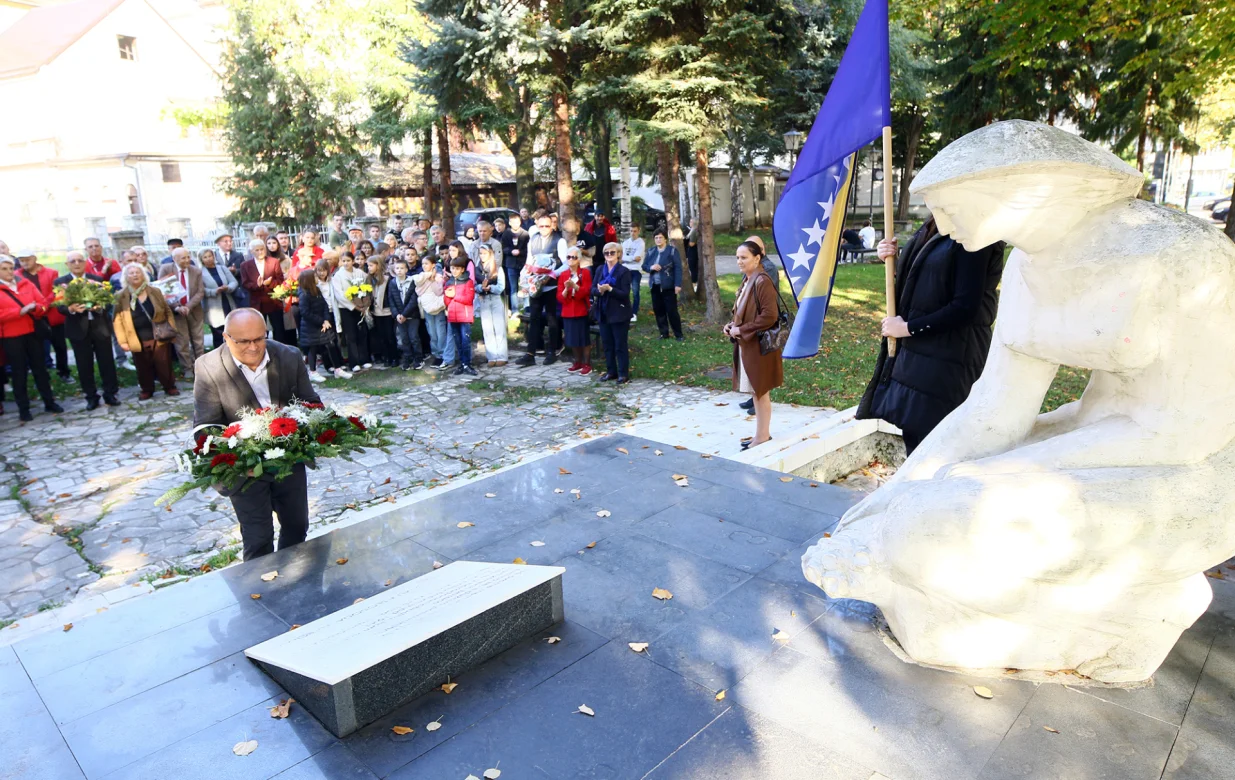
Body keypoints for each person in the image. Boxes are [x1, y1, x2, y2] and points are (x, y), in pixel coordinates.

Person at [855, 217, 1004, 454]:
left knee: (938, 449)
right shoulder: (934, 223)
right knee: (916, 444)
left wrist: (908, 328)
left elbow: (965, 307)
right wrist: (894, 261)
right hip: (919, 358)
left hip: (950, 359)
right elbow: (927, 281)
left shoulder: (974, 231)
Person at [192, 308, 321, 561]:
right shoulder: (209, 367)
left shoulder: (289, 356)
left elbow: (311, 403)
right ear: (226, 338)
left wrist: (302, 426)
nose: (253, 347)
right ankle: (260, 584)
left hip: (287, 457)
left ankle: (293, 576)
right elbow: (206, 428)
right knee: (258, 539)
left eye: (260, 338)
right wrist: (239, 463)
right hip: (245, 468)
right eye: (244, 341)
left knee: (297, 527)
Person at [725, 241, 783, 450]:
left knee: (760, 391)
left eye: (744, 257)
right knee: (756, 392)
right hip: (749, 345)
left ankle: (762, 436)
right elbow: (743, 311)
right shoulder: (748, 279)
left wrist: (742, 329)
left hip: (759, 346)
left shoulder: (762, 280)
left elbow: (770, 316)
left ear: (757, 258)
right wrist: (732, 325)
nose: (739, 261)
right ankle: (761, 434)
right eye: (737, 257)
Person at [0, 255, 63, 421]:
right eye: (4, 269)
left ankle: (49, 402)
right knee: (19, 372)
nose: (9, 272)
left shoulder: (25, 283)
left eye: (11, 268)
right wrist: (18, 312)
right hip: (12, 336)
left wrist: (37, 308)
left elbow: (42, 302)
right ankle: (24, 408)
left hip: (33, 332)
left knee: (40, 369)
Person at [56, 252, 120, 409]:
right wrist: (71, 308)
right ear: (67, 264)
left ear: (85, 263)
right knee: (84, 365)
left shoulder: (96, 279)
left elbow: (108, 301)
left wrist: (100, 306)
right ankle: (91, 397)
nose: (77, 263)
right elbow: (59, 306)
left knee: (107, 362)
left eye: (80, 260)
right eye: (73, 261)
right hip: (78, 329)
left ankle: (110, 393)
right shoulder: (61, 282)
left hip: (100, 326)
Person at [114, 264, 178, 399]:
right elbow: (117, 320)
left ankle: (170, 386)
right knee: (142, 365)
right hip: (136, 337)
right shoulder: (121, 296)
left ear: (143, 275)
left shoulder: (154, 291)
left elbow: (167, 311)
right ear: (126, 277)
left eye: (138, 272)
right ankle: (147, 389)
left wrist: (172, 330)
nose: (135, 275)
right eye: (131, 273)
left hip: (159, 334)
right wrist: (122, 341)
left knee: (164, 363)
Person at [16, 250, 71, 381]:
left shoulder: (51, 272)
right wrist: (35, 307)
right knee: (36, 349)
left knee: (60, 346)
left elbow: (55, 291)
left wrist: (43, 304)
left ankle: (64, 372)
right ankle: (42, 376)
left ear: (35, 258)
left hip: (53, 315)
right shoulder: (17, 275)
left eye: (27, 259)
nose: (24, 263)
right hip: (32, 316)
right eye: (21, 260)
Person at [518, 215, 563, 366]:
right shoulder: (533, 239)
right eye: (541, 226)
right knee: (534, 318)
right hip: (535, 285)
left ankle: (552, 351)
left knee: (551, 319)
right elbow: (529, 261)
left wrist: (552, 274)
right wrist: (524, 277)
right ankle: (530, 353)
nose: (544, 229)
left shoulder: (559, 240)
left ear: (552, 226)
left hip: (551, 285)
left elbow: (566, 263)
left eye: (547, 226)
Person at [159, 247, 207, 379]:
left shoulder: (196, 271)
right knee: (182, 342)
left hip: (194, 310)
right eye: (183, 258)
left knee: (198, 341)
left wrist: (188, 306)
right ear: (174, 259)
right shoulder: (166, 269)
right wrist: (177, 307)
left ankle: (201, 367)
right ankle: (187, 368)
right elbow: (162, 291)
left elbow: (200, 292)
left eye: (188, 257)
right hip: (176, 312)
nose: (187, 260)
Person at [296, 268, 346, 381]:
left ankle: (338, 369)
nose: (317, 278)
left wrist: (326, 320)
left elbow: (324, 306)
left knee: (330, 344)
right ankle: (312, 372)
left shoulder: (317, 290)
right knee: (312, 348)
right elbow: (305, 313)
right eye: (314, 277)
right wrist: (321, 321)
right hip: (311, 326)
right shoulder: (304, 295)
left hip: (323, 324)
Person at [593, 242, 632, 383]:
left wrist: (610, 289)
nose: (609, 255)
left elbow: (625, 293)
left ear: (618, 254)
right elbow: (592, 289)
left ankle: (623, 374)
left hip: (619, 313)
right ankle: (611, 372)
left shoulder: (624, 271)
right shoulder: (600, 269)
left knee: (620, 345)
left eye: (612, 252)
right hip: (603, 312)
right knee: (607, 344)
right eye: (606, 253)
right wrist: (599, 290)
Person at [239, 238, 288, 344]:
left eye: (262, 249)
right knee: (259, 331)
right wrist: (257, 285)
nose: (260, 252)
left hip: (273, 301)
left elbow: (280, 280)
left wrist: (269, 283)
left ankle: (279, 350)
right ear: (251, 251)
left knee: (279, 330)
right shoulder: (245, 265)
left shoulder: (274, 262)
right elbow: (245, 283)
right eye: (257, 250)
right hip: (256, 303)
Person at [331, 251, 372, 371]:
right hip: (347, 308)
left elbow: (367, 287)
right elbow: (339, 295)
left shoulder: (360, 273)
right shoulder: (338, 276)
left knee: (362, 333)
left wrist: (364, 304)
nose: (346, 263)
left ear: (353, 261)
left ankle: (364, 359)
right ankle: (354, 362)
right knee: (351, 335)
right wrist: (354, 306)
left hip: (361, 307)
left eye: (348, 261)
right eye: (343, 261)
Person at [643, 229, 684, 340]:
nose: (658, 240)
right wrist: (651, 267)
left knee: (672, 311)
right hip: (655, 286)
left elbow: (678, 268)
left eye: (660, 237)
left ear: (665, 239)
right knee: (659, 310)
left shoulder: (672, 251)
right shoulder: (651, 251)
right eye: (656, 238)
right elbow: (644, 266)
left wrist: (677, 284)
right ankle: (664, 334)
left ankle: (679, 334)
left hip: (668, 286)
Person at [557, 247, 592, 374]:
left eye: (574, 257)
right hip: (568, 311)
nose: (571, 259)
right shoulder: (563, 274)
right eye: (569, 257)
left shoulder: (585, 273)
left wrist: (575, 286)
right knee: (572, 339)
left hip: (581, 310)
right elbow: (559, 296)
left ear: (579, 259)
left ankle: (587, 363)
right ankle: (577, 362)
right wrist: (566, 289)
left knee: (583, 338)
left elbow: (586, 291)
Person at [386, 257, 424, 370]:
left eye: (402, 268)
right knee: (404, 338)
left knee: (414, 337)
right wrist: (397, 314)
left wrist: (405, 314)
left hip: (412, 315)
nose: (399, 270)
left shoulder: (412, 281)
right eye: (397, 268)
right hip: (399, 317)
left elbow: (413, 300)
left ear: (406, 270)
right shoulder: (392, 283)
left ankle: (418, 358)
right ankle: (408, 357)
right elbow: (391, 300)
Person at [443, 255, 478, 376]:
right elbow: (446, 301)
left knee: (465, 340)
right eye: (452, 268)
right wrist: (448, 297)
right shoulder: (449, 282)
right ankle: (462, 364)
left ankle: (467, 364)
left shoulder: (468, 282)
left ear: (462, 269)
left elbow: (469, 299)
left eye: (457, 268)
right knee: (457, 341)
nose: (454, 271)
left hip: (464, 316)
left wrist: (454, 295)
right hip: (452, 316)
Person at [474, 244, 507, 366]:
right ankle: (492, 356)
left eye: (485, 253)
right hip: (484, 299)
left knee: (499, 327)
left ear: (490, 254)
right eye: (480, 253)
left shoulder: (497, 268)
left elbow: (501, 287)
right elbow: (474, 286)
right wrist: (480, 288)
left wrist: (490, 288)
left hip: (495, 298)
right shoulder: (477, 269)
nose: (482, 256)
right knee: (487, 328)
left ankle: (502, 355)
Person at [199, 247, 239, 349]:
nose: (208, 259)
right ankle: (219, 352)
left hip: (227, 301)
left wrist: (228, 287)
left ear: (214, 256)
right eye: (205, 257)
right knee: (218, 332)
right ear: (201, 259)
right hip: (213, 305)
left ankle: (233, 350)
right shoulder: (200, 272)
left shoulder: (222, 268)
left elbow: (233, 281)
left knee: (231, 329)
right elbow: (200, 289)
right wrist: (213, 291)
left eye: (210, 256)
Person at [414, 255, 447, 366]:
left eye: (426, 263)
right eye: (423, 264)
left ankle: (443, 353)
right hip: (427, 308)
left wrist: (433, 280)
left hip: (438, 307)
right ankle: (436, 354)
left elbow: (439, 291)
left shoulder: (438, 277)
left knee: (440, 332)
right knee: (432, 332)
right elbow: (418, 290)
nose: (424, 266)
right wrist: (428, 277)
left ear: (433, 265)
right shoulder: (421, 276)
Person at [366, 255, 396, 367]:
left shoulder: (388, 279)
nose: (369, 268)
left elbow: (391, 296)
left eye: (371, 265)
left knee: (390, 336)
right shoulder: (369, 279)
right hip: (376, 312)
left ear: (378, 266)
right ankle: (386, 357)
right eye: (368, 266)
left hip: (387, 312)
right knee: (381, 337)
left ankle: (394, 357)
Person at [501, 213, 529, 313]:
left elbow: (528, 249)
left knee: (526, 287)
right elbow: (503, 248)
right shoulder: (506, 234)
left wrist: (520, 252)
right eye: (513, 222)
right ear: (510, 223)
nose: (515, 224)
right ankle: (515, 310)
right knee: (513, 288)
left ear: (520, 222)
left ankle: (527, 309)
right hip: (511, 264)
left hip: (523, 263)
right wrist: (510, 251)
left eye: (517, 222)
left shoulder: (525, 234)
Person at [622, 223, 645, 323]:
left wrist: (626, 259)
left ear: (639, 231)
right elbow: (621, 258)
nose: (633, 233)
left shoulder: (641, 243)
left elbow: (638, 258)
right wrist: (631, 258)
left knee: (635, 292)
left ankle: (634, 313)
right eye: (631, 231)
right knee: (625, 291)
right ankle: (625, 311)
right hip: (625, 270)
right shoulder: (625, 243)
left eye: (635, 231)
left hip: (636, 270)